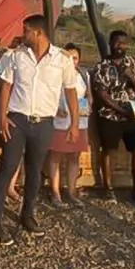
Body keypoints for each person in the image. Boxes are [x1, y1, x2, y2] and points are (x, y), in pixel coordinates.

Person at [0, 15, 81, 245]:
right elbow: (5, 86)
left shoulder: (62, 59)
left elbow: (70, 91)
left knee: (35, 171)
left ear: (37, 33)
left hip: (44, 122)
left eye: (26, 31)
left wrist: (74, 123)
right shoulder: (16, 55)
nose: (23, 35)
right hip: (17, 120)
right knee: (8, 167)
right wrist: (2, 117)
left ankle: (27, 215)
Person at [91, 30, 135, 204]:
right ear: (111, 43)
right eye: (117, 42)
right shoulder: (101, 66)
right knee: (109, 150)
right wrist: (121, 110)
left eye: (124, 43)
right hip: (110, 115)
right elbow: (102, 94)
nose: (121, 46)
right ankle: (108, 188)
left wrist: (131, 76)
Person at [48, 44, 90, 207]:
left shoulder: (83, 75)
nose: (72, 61)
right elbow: (47, 95)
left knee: (74, 157)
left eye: (75, 58)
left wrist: (88, 106)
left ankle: (71, 191)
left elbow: (88, 96)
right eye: (69, 57)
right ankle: (55, 192)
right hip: (59, 122)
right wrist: (55, 109)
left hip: (79, 121)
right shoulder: (54, 75)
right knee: (55, 156)